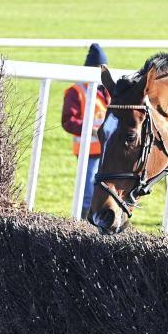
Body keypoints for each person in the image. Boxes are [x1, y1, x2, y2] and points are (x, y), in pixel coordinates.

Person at [61, 43, 111, 219]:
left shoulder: (108, 90)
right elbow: (68, 121)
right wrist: (91, 130)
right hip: (88, 150)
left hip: (108, 149)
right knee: (88, 189)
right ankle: (84, 220)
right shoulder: (76, 91)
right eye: (100, 68)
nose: (102, 72)